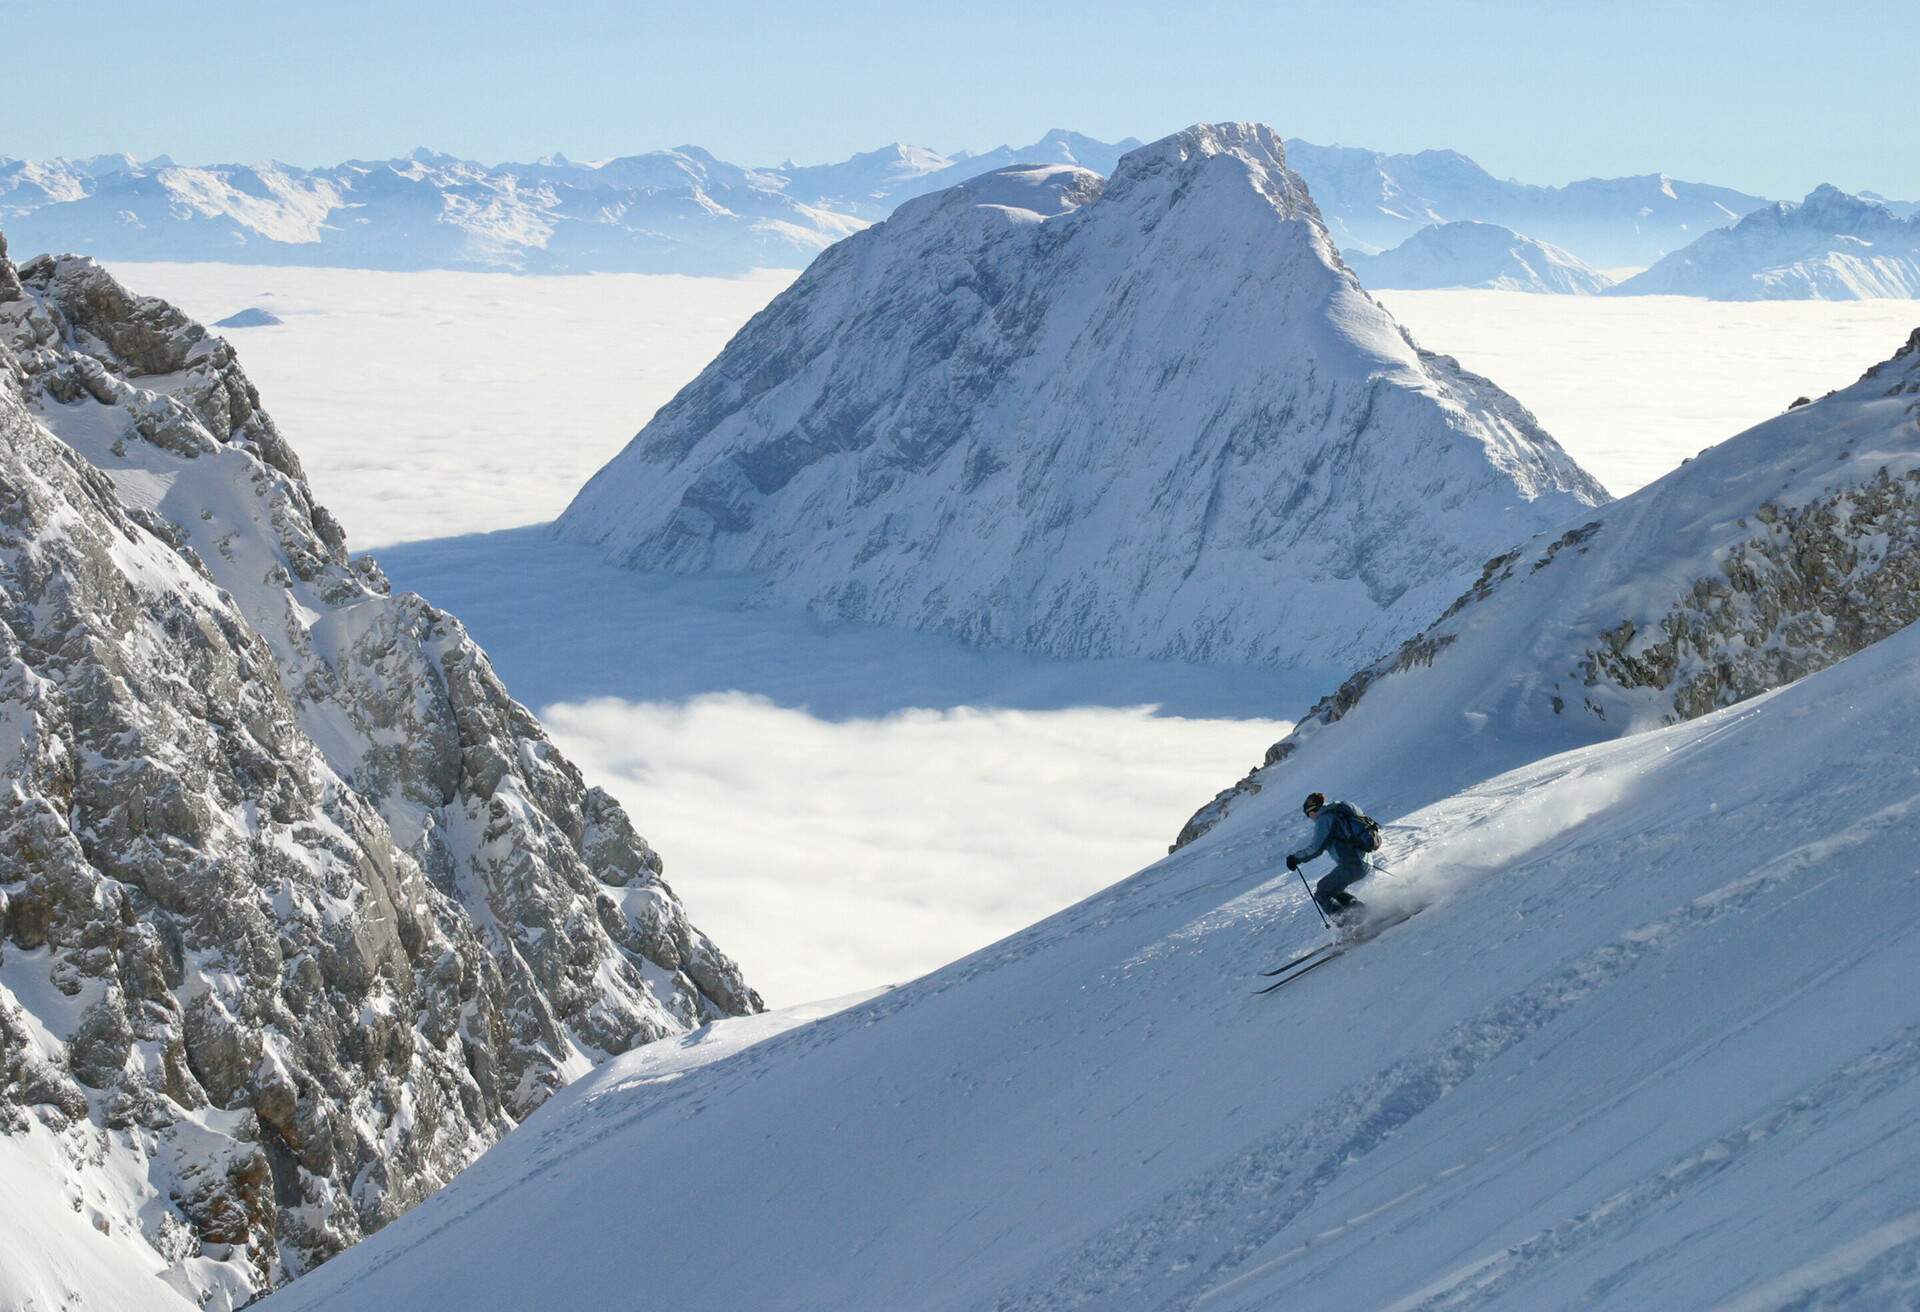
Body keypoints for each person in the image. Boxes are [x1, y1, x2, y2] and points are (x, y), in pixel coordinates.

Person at [1285, 791, 1375, 923]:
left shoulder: (1325, 819)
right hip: (1363, 860)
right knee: (1331, 889)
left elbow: (1316, 848)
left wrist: (1295, 858)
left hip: (1352, 864)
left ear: (1312, 810)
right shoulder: (1338, 810)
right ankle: (1363, 913)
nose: (1311, 818)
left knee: (1322, 893)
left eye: (1308, 814)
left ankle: (1348, 926)